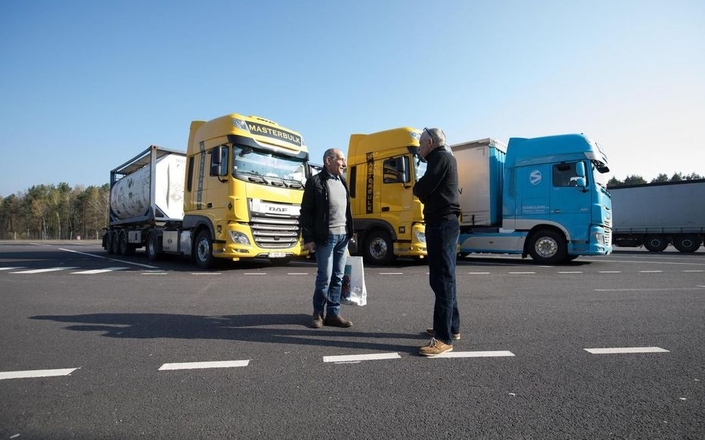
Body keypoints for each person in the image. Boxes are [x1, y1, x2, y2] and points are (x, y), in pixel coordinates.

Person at [413, 127, 461, 356]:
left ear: (430, 142)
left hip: (440, 224)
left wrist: (418, 187)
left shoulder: (439, 158)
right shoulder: (445, 157)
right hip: (445, 223)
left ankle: (443, 338)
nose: (420, 148)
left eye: (421, 144)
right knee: (446, 277)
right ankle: (452, 326)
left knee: (441, 280)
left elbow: (421, 188)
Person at [300, 148, 355, 329]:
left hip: (342, 237)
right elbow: (305, 212)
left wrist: (349, 233)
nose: (344, 164)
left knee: (338, 277)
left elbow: (346, 211)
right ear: (328, 160)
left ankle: (333, 314)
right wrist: (308, 238)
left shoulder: (343, 181)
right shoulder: (315, 182)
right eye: (341, 159)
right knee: (325, 276)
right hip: (325, 237)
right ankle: (317, 314)